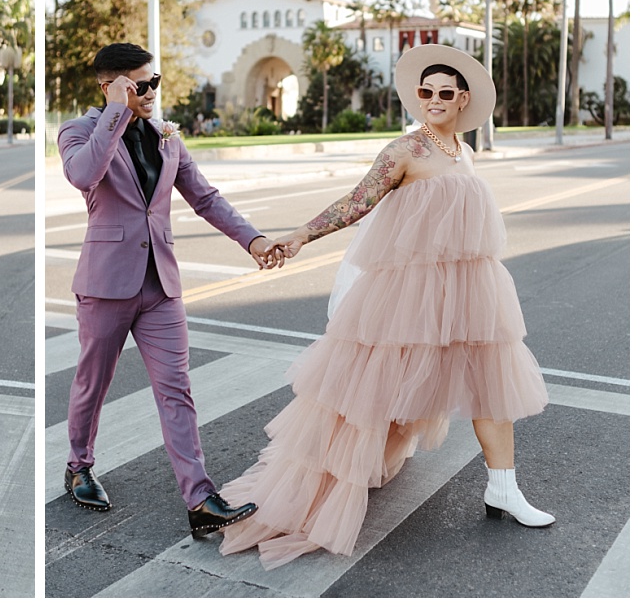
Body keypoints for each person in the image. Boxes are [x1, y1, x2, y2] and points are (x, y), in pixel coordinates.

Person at [219, 43, 552, 570]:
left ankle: (503, 489)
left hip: (469, 290)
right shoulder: (403, 152)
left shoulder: (463, 151)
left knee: (493, 381)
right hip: (408, 297)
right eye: (426, 92)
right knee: (377, 392)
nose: (435, 100)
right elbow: (356, 203)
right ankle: (331, 476)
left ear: (463, 99)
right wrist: (302, 234)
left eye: (446, 93)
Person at [58, 42, 283, 539]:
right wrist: (116, 111)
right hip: (106, 284)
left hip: (160, 284)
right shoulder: (79, 131)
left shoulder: (166, 137)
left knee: (177, 390)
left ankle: (200, 498)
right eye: (141, 84)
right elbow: (84, 174)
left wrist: (253, 238)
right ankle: (78, 467)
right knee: (93, 385)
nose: (152, 91)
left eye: (153, 81)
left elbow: (204, 197)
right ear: (111, 86)